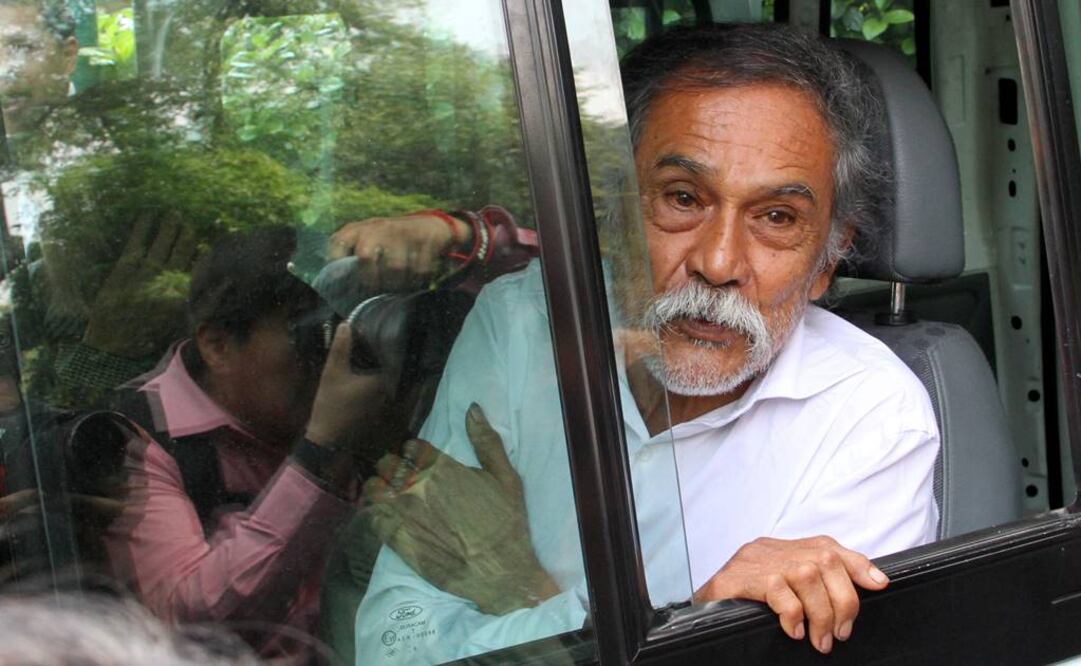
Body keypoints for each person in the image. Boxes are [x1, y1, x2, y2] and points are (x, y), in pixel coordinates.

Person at [352, 22, 939, 662]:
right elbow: (391, 646)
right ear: (614, 212)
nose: (718, 263)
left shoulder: (872, 416)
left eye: (776, 217)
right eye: (683, 198)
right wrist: (686, 625)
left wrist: (517, 584)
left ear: (827, 260)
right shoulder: (523, 324)